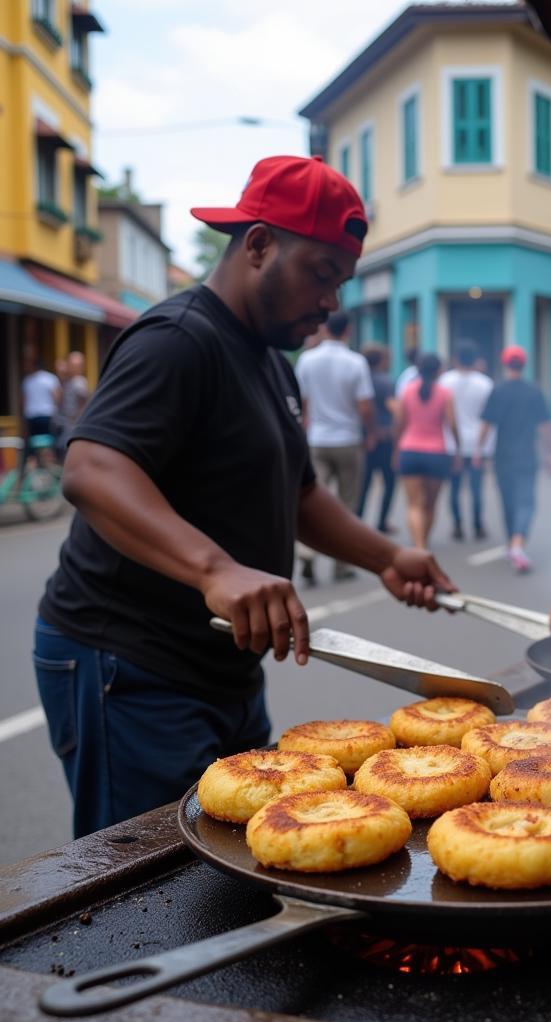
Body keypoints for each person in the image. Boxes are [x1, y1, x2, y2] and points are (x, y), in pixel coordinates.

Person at [34, 154, 455, 838]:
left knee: (234, 854)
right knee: (156, 877)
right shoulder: (178, 340)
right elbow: (92, 469)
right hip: (129, 664)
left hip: (221, 671)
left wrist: (388, 555)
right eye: (323, 274)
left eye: (341, 283)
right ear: (259, 244)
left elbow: (299, 495)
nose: (331, 303)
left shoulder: (267, 362)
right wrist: (216, 569)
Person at [294, 311, 375, 583]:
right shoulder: (356, 362)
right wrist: (370, 431)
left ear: (325, 328)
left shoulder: (307, 360)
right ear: (348, 331)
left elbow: (302, 403)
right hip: (348, 440)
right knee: (347, 504)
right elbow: (365, 407)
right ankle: (342, 564)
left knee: (311, 498)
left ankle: (306, 551)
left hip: (317, 439)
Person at [477, 346, 551, 573]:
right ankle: (517, 544)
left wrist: (479, 452)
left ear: (504, 363)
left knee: (508, 501)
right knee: (526, 502)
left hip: (503, 456)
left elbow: (486, 424)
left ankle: (514, 543)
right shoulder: (534, 391)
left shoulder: (498, 391)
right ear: (524, 364)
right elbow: (546, 427)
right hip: (527, 455)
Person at [393, 353, 457, 549]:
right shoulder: (444, 393)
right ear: (439, 370)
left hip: (409, 450)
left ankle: (418, 545)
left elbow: (400, 424)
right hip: (436, 453)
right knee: (430, 505)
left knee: (414, 505)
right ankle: (423, 544)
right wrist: (458, 449)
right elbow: (452, 424)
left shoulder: (407, 391)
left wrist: (396, 450)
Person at [440, 343, 493, 541]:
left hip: (451, 443)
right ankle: (478, 525)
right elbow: (489, 420)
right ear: (476, 360)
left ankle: (457, 525)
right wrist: (484, 447)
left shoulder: (445, 381)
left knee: (454, 487)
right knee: (476, 488)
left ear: (455, 359)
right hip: (477, 444)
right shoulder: (485, 383)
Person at [357, 344, 397, 534]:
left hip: (361, 439)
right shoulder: (384, 382)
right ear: (381, 360)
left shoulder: (360, 378)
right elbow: (394, 408)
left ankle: (357, 521)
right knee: (389, 482)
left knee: (363, 484)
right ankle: (382, 521)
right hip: (383, 438)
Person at [21, 348, 61, 466]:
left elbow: (23, 401)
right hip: (43, 414)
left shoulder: (29, 380)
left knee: (40, 444)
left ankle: (44, 464)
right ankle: (43, 464)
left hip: (39, 415)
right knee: (44, 443)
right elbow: (57, 397)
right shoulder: (49, 378)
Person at [53, 350, 91, 457]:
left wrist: (77, 420)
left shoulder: (79, 382)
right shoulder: (68, 381)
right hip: (65, 424)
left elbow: (84, 402)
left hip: (72, 425)